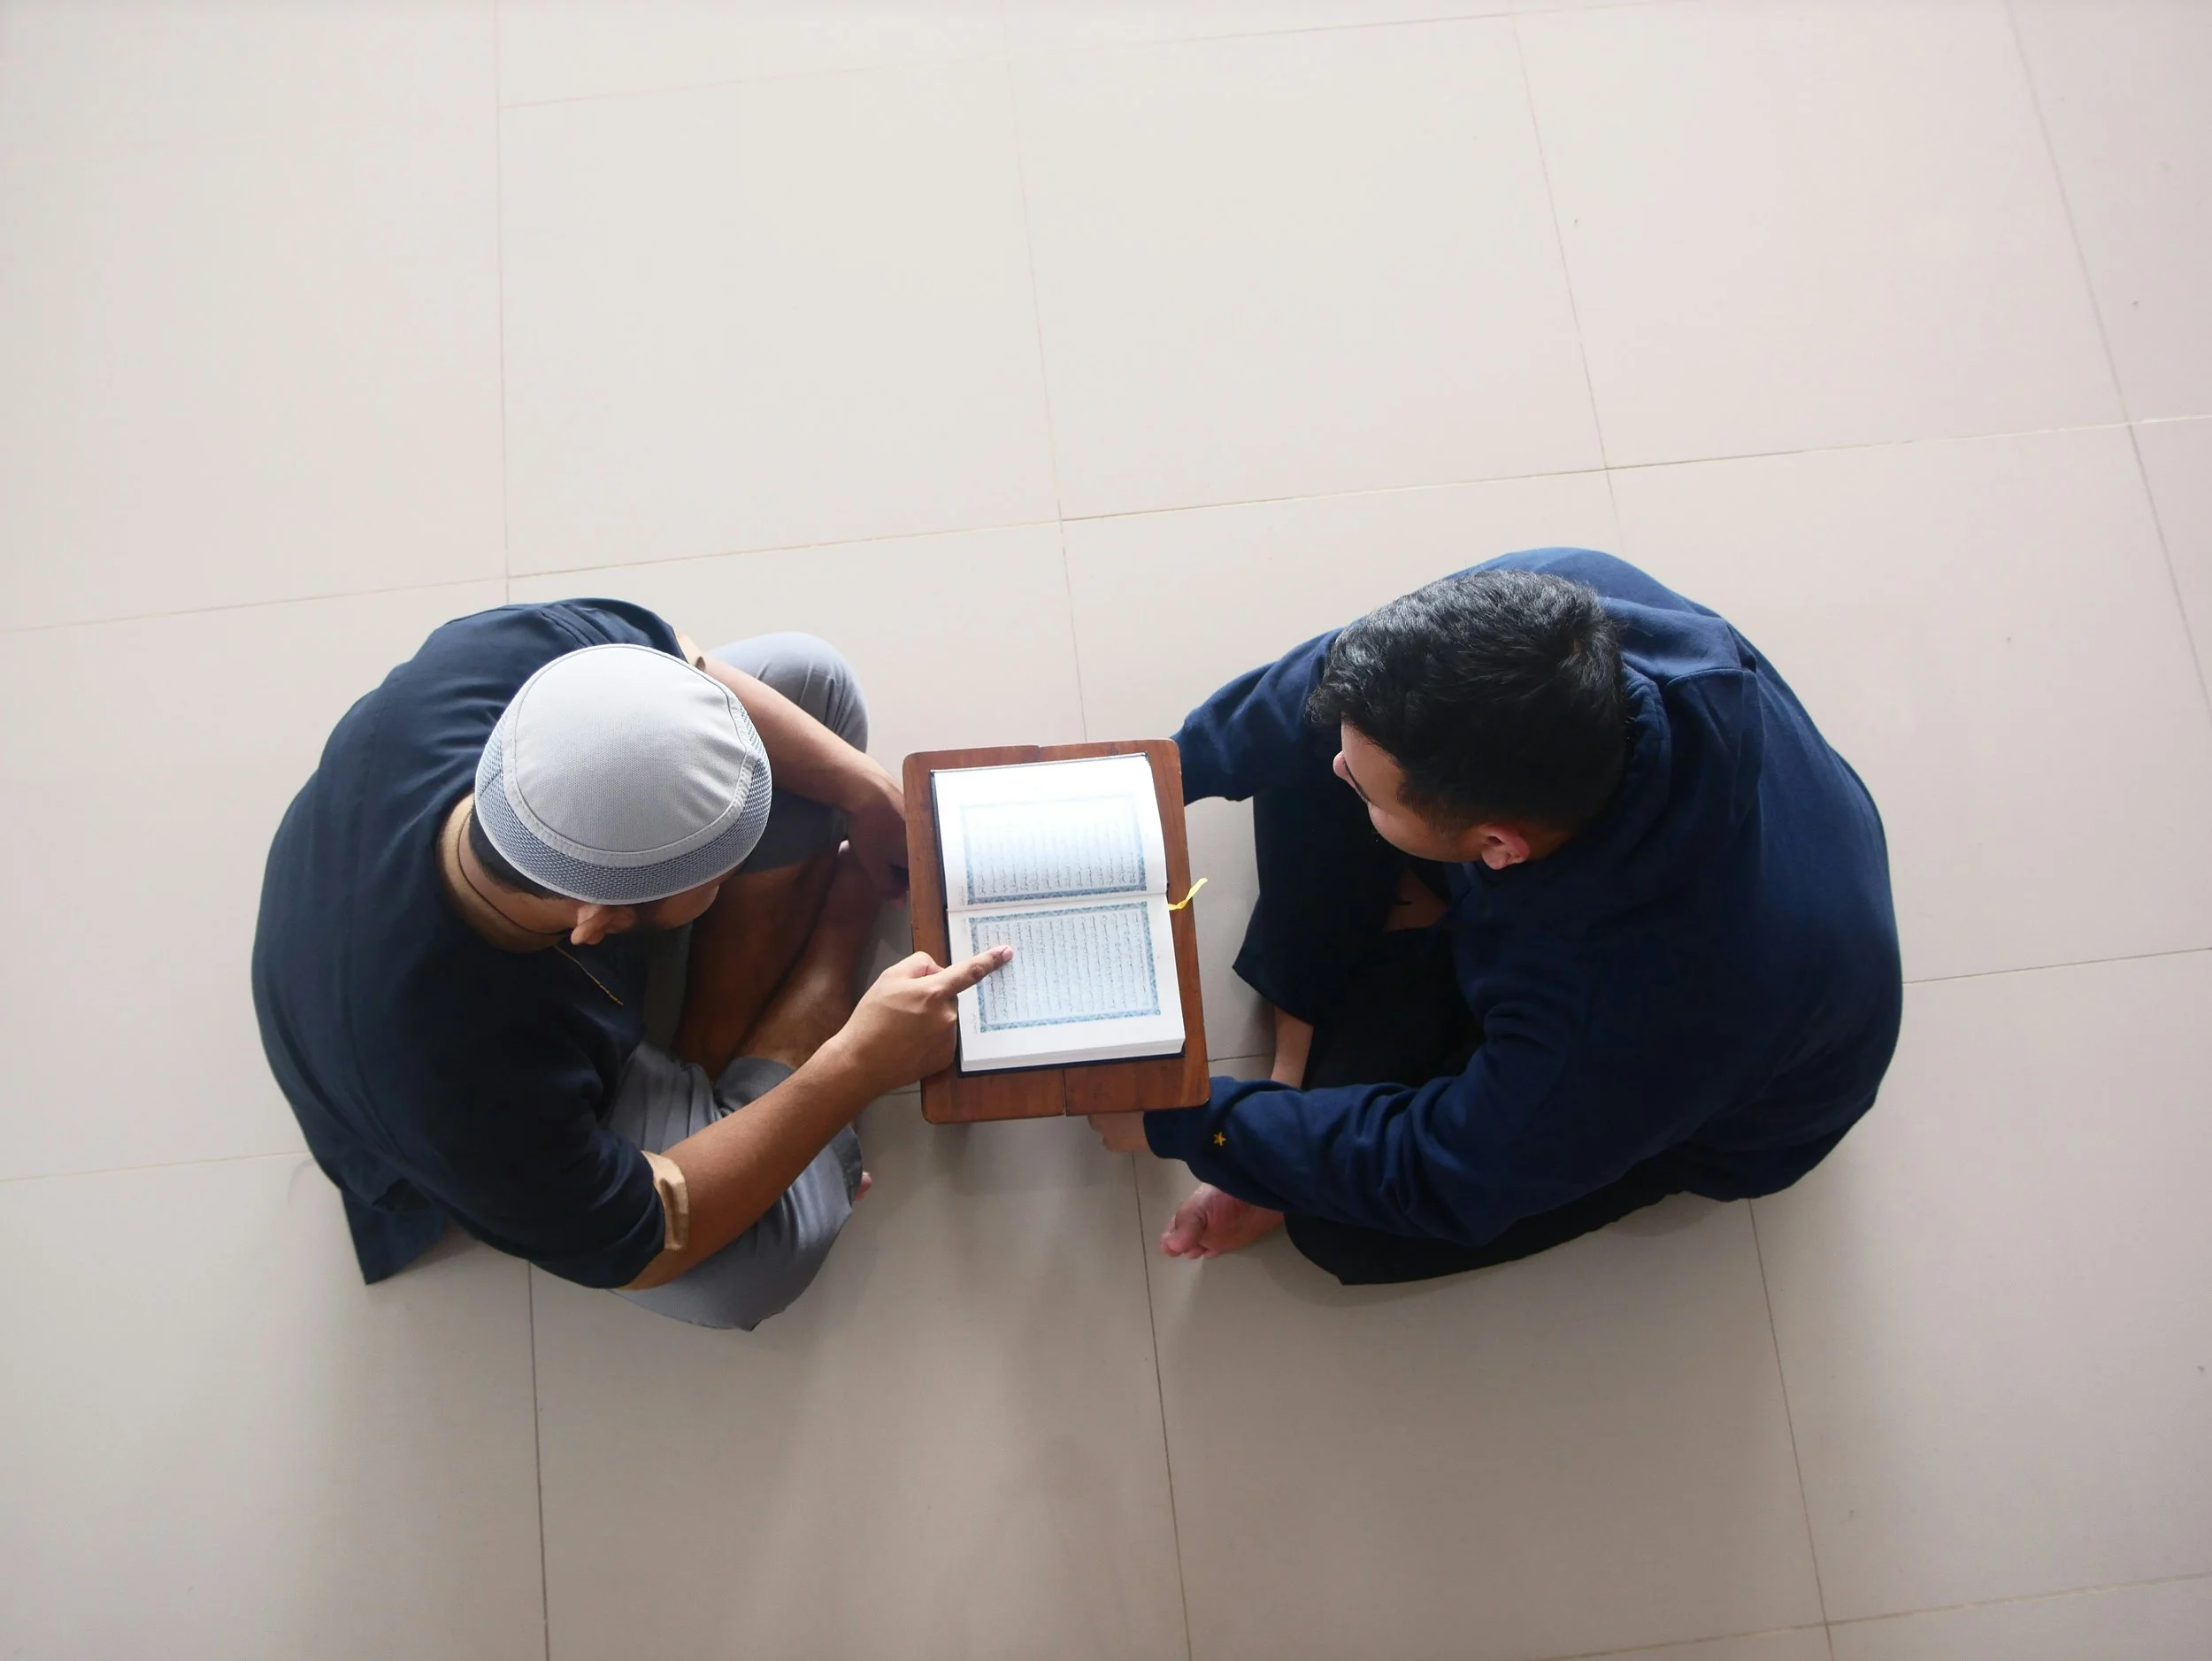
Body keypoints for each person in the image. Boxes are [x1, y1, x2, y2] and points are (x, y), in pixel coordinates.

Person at [1094, 550, 1902, 1285]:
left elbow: (1438, 1171)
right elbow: (1332, 678)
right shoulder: (1564, 612)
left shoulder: (1636, 1013)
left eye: (1372, 788)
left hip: (1706, 1081)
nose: (1344, 765)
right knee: (1318, 753)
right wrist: (1149, 785)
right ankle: (1298, 1064)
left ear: (1497, 846)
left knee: (1346, 1231)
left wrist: (1189, 1117)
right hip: (1629, 890)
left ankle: (1336, 1062)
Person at [252, 600, 1007, 1328]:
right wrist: (854, 1065)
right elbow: (653, 1234)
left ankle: (709, 1078)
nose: (738, 864)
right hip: (432, 1077)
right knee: (752, 1269)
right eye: (717, 871)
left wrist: (863, 788)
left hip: (445, 922)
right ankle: (827, 946)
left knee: (811, 682)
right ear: (603, 922)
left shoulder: (485, 662)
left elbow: (682, 656)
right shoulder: (458, 1091)